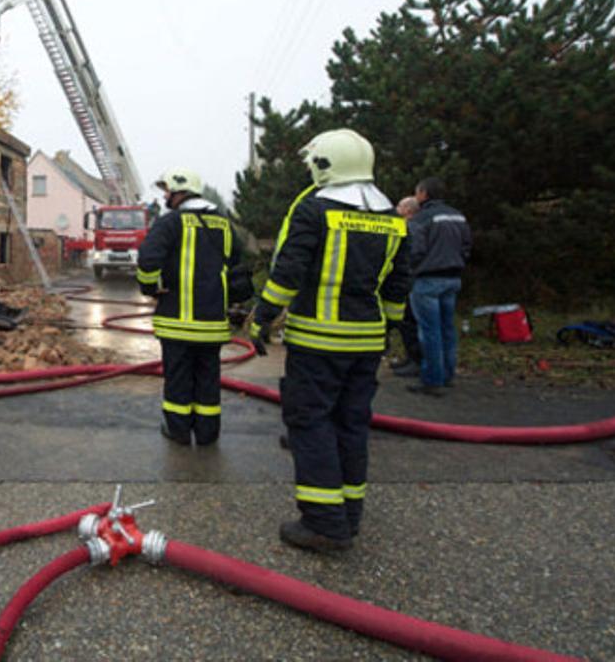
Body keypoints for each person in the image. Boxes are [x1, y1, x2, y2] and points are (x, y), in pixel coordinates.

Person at [248, 129, 410, 552]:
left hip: (318, 342)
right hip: (367, 343)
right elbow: (397, 287)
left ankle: (323, 522)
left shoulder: (315, 210)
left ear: (324, 164)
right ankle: (349, 514)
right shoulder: (392, 217)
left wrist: (262, 317)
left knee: (310, 422)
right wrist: (390, 330)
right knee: (351, 423)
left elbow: (289, 272)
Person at [137, 169, 243, 446]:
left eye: (167, 191)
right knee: (208, 378)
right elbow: (237, 268)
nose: (164, 196)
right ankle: (208, 434)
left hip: (177, 322)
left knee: (178, 379)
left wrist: (149, 288)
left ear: (180, 192)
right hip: (212, 323)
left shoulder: (170, 223)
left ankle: (179, 431)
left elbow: (148, 261)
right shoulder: (224, 225)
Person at [407, 177, 472, 395]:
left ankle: (432, 379)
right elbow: (467, 245)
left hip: (427, 280)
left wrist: (409, 270)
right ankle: (447, 374)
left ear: (423, 193)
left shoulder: (421, 218)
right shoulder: (458, 215)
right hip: (453, 278)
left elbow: (414, 250)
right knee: (447, 329)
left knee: (429, 331)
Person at [389, 196, 423, 377]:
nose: (396, 208)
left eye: (400, 205)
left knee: (409, 322)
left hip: (410, 280)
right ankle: (410, 358)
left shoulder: (411, 228)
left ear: (408, 210)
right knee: (405, 324)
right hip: (410, 279)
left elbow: (412, 254)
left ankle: (416, 360)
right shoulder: (411, 226)